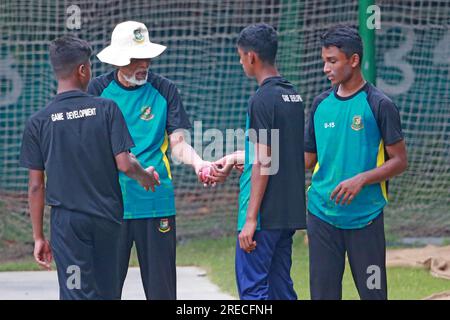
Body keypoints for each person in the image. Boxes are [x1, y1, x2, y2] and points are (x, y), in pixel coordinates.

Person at [19, 35, 159, 300]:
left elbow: (37, 185)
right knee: (107, 292)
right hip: (107, 219)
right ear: (83, 70)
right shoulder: (107, 109)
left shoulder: (38, 122)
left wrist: (38, 236)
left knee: (76, 292)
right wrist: (145, 177)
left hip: (69, 226)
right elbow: (125, 163)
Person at [88, 21, 217, 300]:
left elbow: (179, 144)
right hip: (109, 206)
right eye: (135, 58)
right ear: (118, 60)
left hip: (155, 203)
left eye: (146, 56)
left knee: (162, 292)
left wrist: (199, 163)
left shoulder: (165, 90)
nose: (143, 64)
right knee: (103, 291)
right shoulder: (96, 91)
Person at [304, 25, 408, 300]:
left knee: (374, 295)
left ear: (354, 60)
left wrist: (361, 179)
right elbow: (306, 159)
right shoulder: (319, 104)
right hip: (321, 216)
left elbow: (399, 161)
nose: (326, 68)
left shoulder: (379, 105)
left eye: (332, 61)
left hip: (366, 219)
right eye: (324, 61)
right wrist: (259, 159)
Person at [214, 23, 306, 300]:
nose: (241, 62)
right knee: (281, 289)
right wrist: (236, 157)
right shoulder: (293, 96)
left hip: (263, 216)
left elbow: (264, 160)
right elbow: (281, 153)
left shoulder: (261, 100)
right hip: (288, 213)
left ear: (251, 57)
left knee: (254, 292)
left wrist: (251, 219)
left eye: (241, 56)